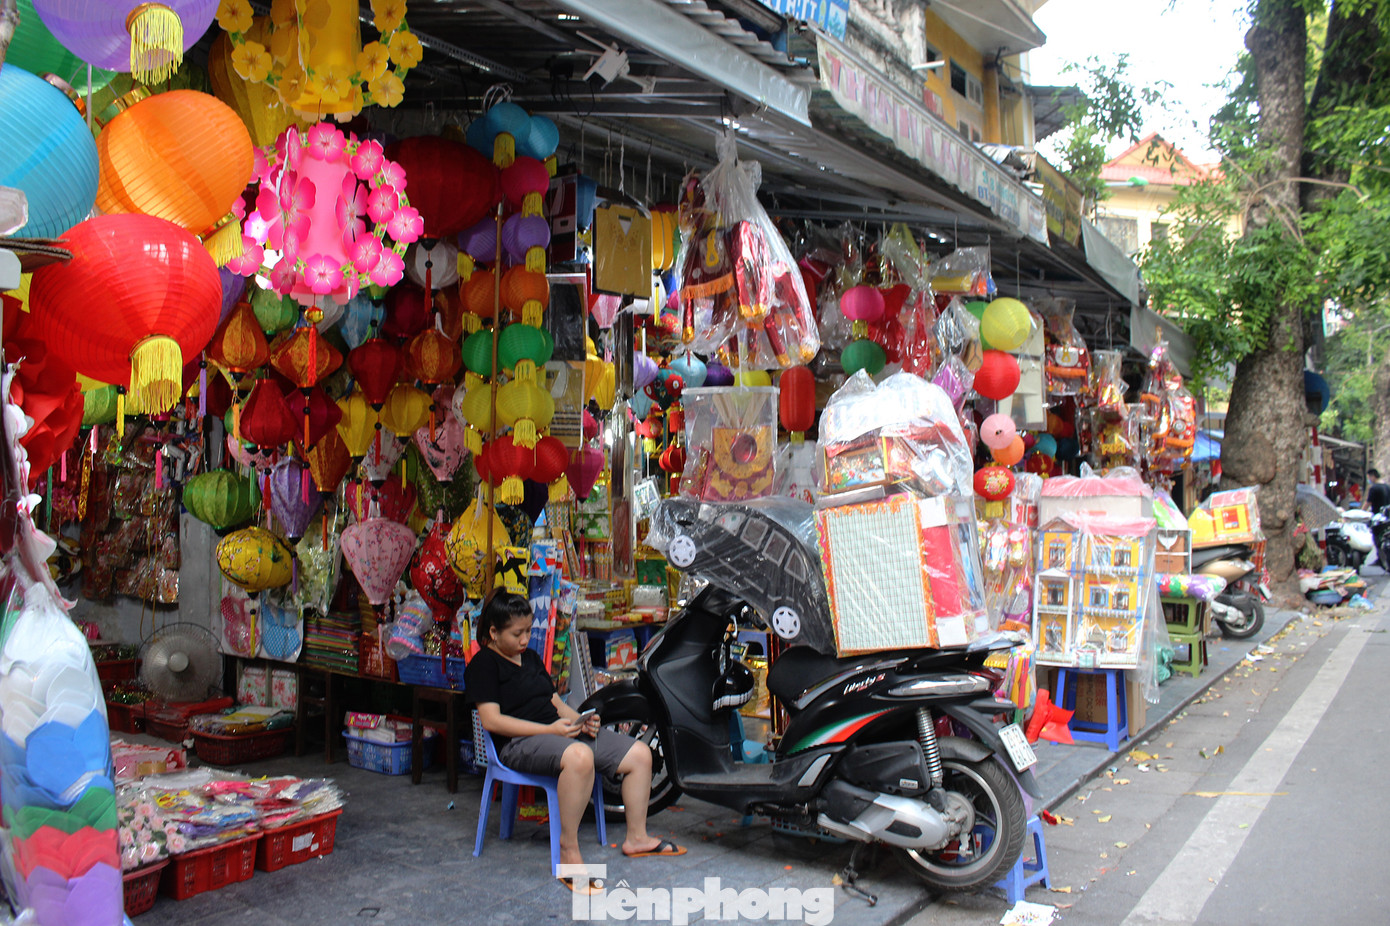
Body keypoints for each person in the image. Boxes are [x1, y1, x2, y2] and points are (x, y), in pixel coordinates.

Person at [465, 592, 684, 890]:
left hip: (559, 733)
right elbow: (491, 720)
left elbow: (554, 701)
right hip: (519, 743)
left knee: (639, 754)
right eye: (517, 633)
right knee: (580, 757)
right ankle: (568, 852)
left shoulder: (528, 658)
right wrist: (550, 731)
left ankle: (637, 837)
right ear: (493, 632)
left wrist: (581, 719)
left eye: (528, 631)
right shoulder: (483, 665)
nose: (525, 639)